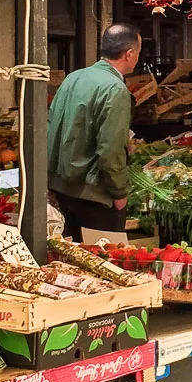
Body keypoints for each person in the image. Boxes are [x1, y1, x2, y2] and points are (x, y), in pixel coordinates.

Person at [48, 23, 141, 239]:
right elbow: (111, 148)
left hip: (64, 190)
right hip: (95, 195)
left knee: (71, 259)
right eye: (138, 52)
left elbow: (52, 128)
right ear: (129, 54)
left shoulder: (73, 78)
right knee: (102, 262)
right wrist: (119, 192)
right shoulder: (115, 89)